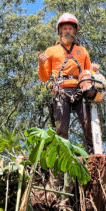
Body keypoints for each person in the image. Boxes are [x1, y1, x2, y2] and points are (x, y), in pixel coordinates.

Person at [38, 13, 99, 154]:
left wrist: (93, 71)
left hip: (80, 90)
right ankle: (63, 158)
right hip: (61, 90)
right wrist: (41, 64)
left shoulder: (82, 51)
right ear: (59, 31)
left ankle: (94, 156)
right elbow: (44, 77)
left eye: (70, 28)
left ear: (75, 31)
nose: (67, 31)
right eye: (64, 28)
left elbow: (88, 75)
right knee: (61, 129)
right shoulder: (51, 51)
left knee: (88, 124)